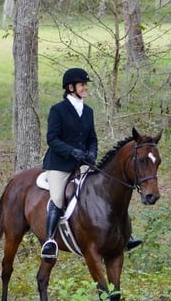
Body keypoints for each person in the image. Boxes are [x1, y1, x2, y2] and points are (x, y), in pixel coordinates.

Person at [40, 67, 142, 259]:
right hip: (59, 165)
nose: (85, 87)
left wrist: (92, 153)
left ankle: (124, 237)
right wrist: (72, 151)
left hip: (83, 163)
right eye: (82, 84)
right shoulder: (58, 110)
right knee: (58, 198)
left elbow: (92, 138)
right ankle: (49, 241)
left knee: (102, 191)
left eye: (85, 84)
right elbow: (52, 139)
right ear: (71, 87)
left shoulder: (88, 111)